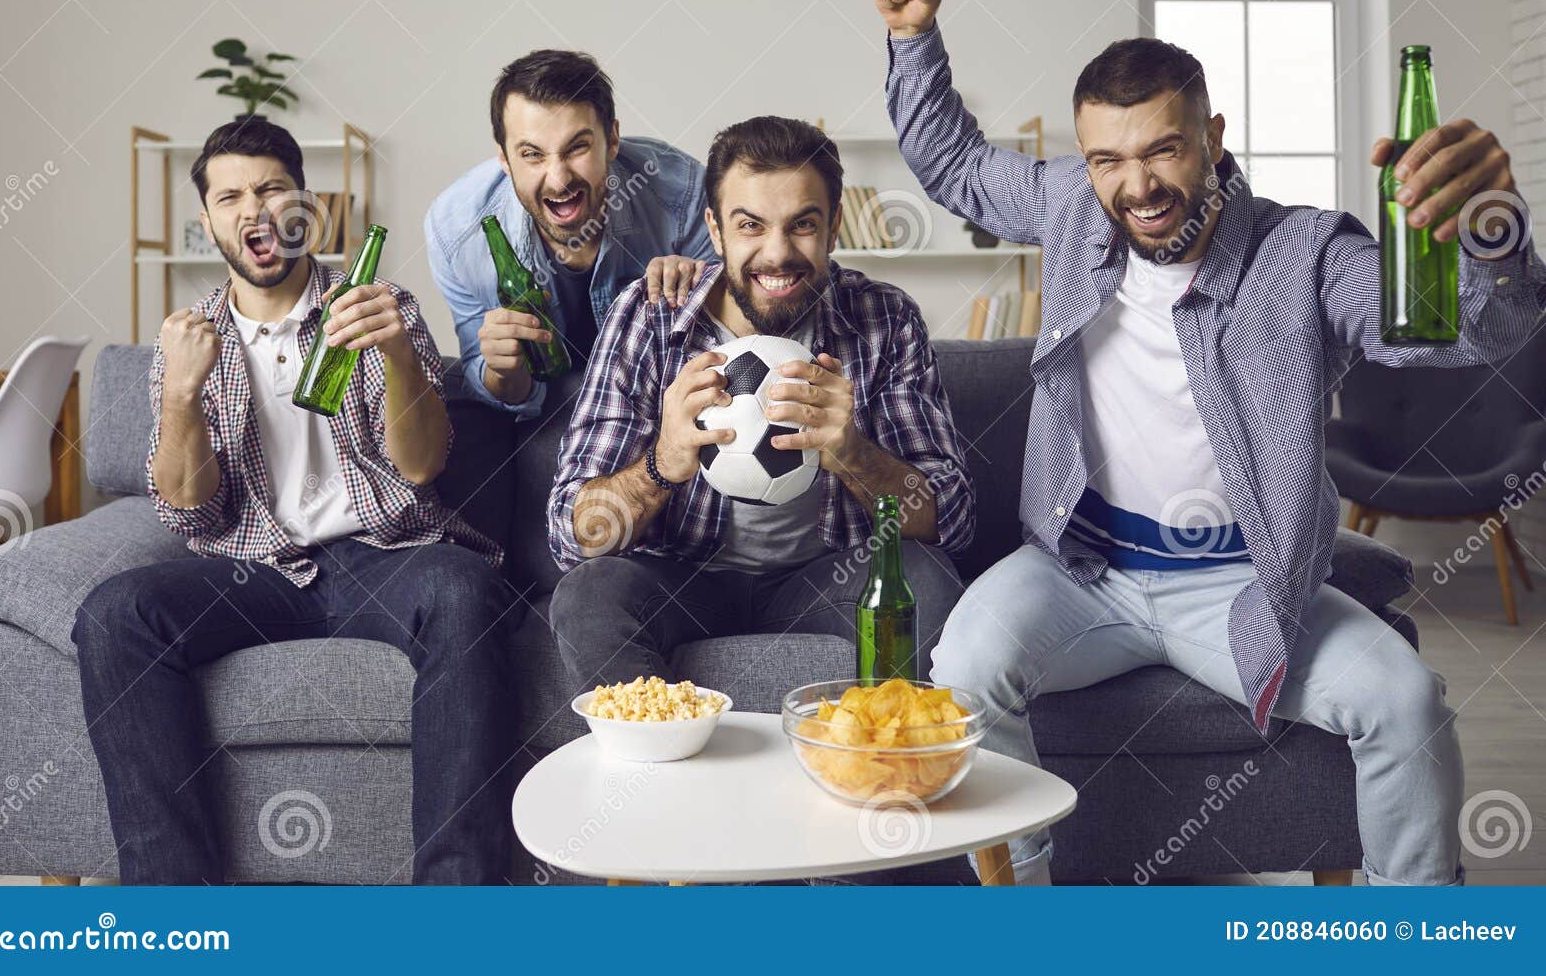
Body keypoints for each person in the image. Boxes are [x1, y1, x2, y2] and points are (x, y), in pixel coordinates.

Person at [875, 0, 1545, 887]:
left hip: (1241, 588)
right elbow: (954, 163)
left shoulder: (1307, 250)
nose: (1137, 185)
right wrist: (913, 39)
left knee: (1406, 700)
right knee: (966, 666)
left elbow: (1466, 334)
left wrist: (1492, 227)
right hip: (1084, 574)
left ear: (1213, 137)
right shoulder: (1074, 205)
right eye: (1109, 159)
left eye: (1163, 150)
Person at [72, 120, 515, 885]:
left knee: (464, 588)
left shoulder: (373, 305)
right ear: (208, 220)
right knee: (113, 613)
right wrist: (181, 392)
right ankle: (178, 909)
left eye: (273, 188)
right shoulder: (187, 339)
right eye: (231, 196)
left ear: (306, 205)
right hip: (256, 569)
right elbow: (190, 512)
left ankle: (456, 904)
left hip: (382, 554)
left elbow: (422, 466)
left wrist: (401, 355)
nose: (256, 209)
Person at [546, 115, 974, 691]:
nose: (777, 255)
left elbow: (951, 519)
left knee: (926, 581)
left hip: (826, 577)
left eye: (802, 225)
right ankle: (661, 768)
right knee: (588, 594)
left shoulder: (883, 318)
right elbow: (573, 535)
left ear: (834, 227)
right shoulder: (648, 317)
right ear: (715, 231)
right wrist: (662, 463)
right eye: (750, 226)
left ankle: (883, 764)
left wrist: (853, 454)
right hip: (683, 578)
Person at [426, 48, 714, 419]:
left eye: (577, 147)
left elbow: (727, 342)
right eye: (532, 154)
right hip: (544, 407)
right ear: (504, 158)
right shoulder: (456, 230)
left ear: (612, 140)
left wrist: (701, 287)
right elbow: (500, 392)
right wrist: (502, 371)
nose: (559, 180)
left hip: (657, 397)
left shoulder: (685, 194)